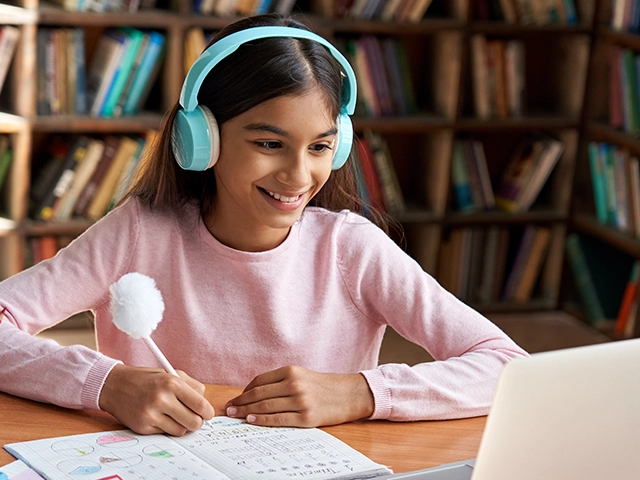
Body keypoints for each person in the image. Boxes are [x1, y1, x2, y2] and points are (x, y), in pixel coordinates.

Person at [0, 14, 527, 437]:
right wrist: (105, 383)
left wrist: (362, 393)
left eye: (320, 147)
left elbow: (507, 364)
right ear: (200, 138)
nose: (299, 175)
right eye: (269, 144)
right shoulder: (139, 233)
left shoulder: (351, 249)